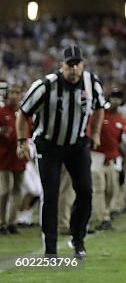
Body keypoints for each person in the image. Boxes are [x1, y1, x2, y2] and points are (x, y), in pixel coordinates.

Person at [15, 44, 106, 259]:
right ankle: (50, 248)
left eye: (77, 65)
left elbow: (101, 106)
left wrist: (96, 133)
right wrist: (21, 142)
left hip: (76, 145)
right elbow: (23, 113)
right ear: (61, 66)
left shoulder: (91, 83)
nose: (74, 70)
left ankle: (78, 239)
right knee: (51, 195)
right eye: (70, 65)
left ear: (83, 65)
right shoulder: (45, 86)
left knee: (85, 191)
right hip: (48, 146)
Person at [89, 86, 126, 232]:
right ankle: (103, 218)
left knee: (111, 190)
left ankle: (102, 213)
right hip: (97, 157)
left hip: (112, 158)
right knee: (99, 189)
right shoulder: (99, 114)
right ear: (108, 98)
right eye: (113, 97)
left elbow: (120, 140)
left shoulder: (120, 119)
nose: (116, 100)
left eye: (118, 97)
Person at [0, 81, 26, 234]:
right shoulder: (2, 112)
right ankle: (1, 222)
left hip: (19, 157)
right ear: (7, 95)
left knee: (18, 190)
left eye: (18, 93)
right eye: (13, 93)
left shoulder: (23, 112)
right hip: (3, 157)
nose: (15, 96)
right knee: (4, 190)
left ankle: (12, 221)